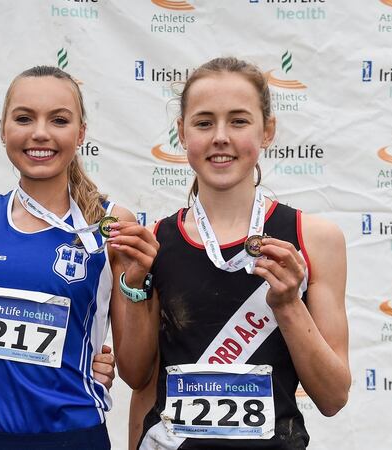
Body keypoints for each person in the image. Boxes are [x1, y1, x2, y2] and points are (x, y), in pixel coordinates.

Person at [115, 57, 350, 449]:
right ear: (181, 133)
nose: (220, 137)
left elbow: (333, 397)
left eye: (239, 121)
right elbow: (138, 378)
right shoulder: (156, 239)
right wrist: (135, 288)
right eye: (204, 123)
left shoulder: (313, 239)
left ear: (267, 130)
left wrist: (289, 303)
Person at [0, 65, 137, 450]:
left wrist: (96, 363)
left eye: (59, 120)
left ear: (81, 133)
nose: (40, 132)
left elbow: (135, 361)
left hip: (70, 436)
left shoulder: (110, 223)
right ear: (3, 129)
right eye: (24, 118)